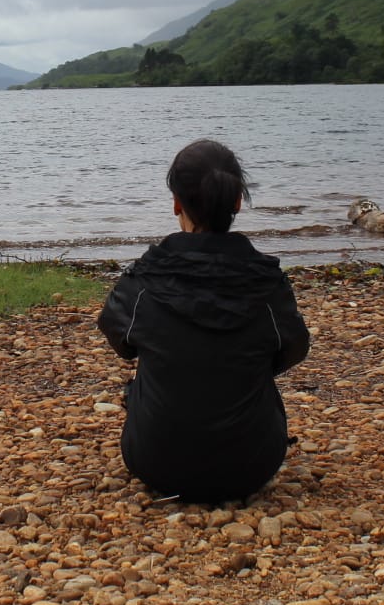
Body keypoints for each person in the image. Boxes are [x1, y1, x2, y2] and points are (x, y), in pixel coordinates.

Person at [97, 138, 310, 503]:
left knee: (143, 379)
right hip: (251, 466)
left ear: (177, 203)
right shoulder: (266, 281)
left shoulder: (145, 280)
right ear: (237, 202)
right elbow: (294, 349)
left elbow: (121, 342)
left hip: (154, 462)